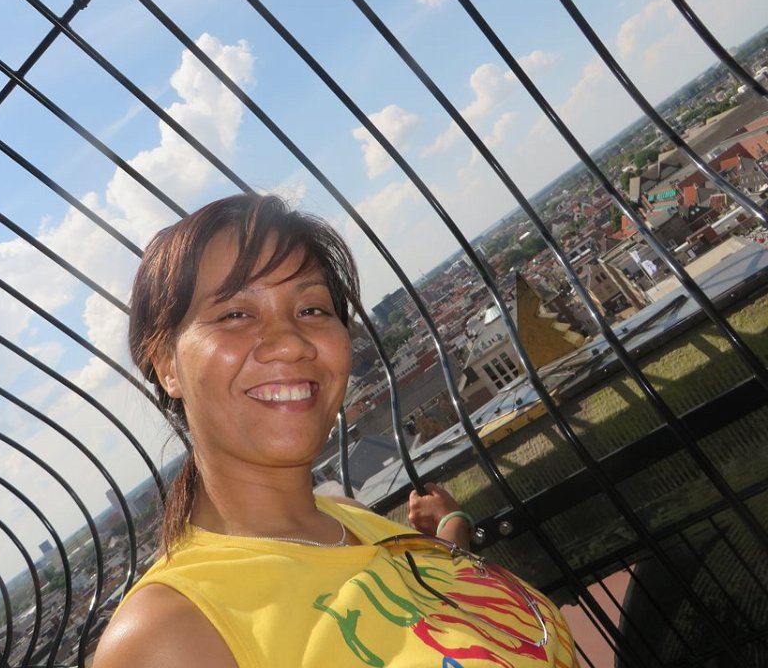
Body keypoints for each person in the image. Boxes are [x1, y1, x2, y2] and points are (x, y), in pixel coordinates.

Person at [95, 194, 577, 667]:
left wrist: (452, 528)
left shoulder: (346, 519)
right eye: (235, 314)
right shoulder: (167, 635)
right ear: (166, 366)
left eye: (312, 309)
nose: (290, 342)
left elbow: (424, 617)